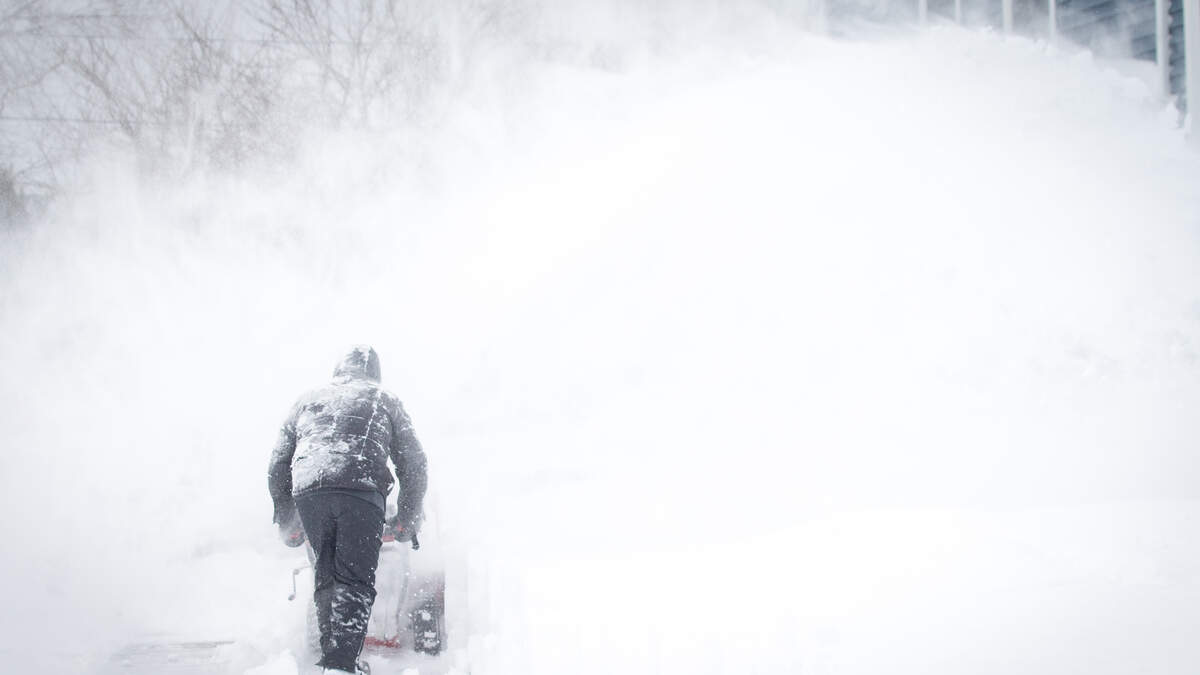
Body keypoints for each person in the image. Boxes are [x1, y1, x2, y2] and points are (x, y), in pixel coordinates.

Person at [268, 345, 428, 675]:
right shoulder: (384, 399)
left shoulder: (307, 399)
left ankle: (334, 661)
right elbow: (414, 464)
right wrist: (407, 519)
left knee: (326, 577)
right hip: (360, 488)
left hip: (309, 490)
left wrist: (288, 520)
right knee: (354, 580)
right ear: (375, 373)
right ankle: (341, 666)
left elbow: (277, 465)